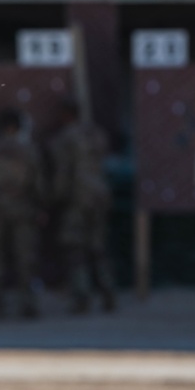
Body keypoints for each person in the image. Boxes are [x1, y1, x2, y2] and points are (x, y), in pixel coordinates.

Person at [48, 99, 116, 314]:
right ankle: (108, 294)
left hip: (77, 198)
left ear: (67, 115)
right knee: (98, 248)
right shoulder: (96, 134)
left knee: (75, 249)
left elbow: (63, 173)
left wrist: (54, 199)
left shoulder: (65, 138)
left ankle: (82, 298)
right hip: (100, 195)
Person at [0, 108, 44, 319]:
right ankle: (28, 305)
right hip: (23, 209)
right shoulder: (28, 150)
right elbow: (38, 183)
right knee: (25, 258)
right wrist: (41, 207)